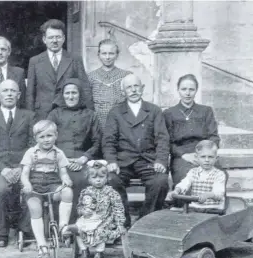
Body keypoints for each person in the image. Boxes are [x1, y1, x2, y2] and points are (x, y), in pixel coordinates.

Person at [103, 74, 170, 228]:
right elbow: (108, 140)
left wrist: (160, 161)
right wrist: (111, 161)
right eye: (129, 87)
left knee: (160, 181)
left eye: (136, 86)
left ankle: (145, 222)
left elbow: (162, 138)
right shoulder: (116, 112)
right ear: (123, 92)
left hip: (147, 160)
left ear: (142, 88)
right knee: (111, 180)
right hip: (123, 161)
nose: (133, 90)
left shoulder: (153, 110)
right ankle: (123, 221)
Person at [0, 79, 36, 248]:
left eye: (13, 91)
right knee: (1, 190)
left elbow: (33, 145)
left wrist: (21, 168)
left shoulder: (29, 116)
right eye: (5, 91)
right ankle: (1, 232)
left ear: (19, 95)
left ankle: (25, 231)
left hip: (23, 167)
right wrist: (3, 170)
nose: (9, 94)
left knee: (29, 189)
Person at [47, 78, 101, 222]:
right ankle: (64, 227)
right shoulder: (54, 114)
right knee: (66, 182)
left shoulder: (90, 115)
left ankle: (82, 225)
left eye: (74, 93)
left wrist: (84, 158)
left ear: (80, 94)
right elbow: (47, 140)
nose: (71, 97)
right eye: (67, 93)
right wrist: (63, 159)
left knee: (84, 180)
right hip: (57, 159)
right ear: (62, 95)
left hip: (81, 159)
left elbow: (97, 142)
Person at [20, 120, 73, 258]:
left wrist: (66, 179)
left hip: (52, 186)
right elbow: (24, 174)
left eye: (49, 135)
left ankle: (63, 226)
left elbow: (63, 172)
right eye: (42, 137)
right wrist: (27, 184)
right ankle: (42, 245)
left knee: (67, 192)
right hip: (35, 187)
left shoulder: (59, 153)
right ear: (36, 138)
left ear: (56, 135)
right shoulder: (31, 153)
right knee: (34, 207)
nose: (46, 140)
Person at [26, 19, 93, 120]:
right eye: (51, 37)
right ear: (44, 39)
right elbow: (30, 93)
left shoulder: (75, 59)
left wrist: (90, 114)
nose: (54, 41)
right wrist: (30, 118)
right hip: (42, 114)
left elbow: (85, 88)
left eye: (58, 37)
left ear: (64, 38)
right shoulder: (35, 61)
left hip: (68, 113)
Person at [163, 74, 221, 187]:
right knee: (184, 176)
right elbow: (166, 141)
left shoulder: (206, 111)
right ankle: (184, 204)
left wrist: (204, 154)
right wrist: (183, 154)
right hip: (181, 156)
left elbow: (214, 137)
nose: (187, 93)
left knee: (220, 175)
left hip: (204, 153)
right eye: (184, 89)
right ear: (178, 90)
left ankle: (213, 204)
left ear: (196, 91)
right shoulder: (169, 113)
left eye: (191, 89)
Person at [65, 160, 125, 258]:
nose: (98, 180)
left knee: (99, 229)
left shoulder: (111, 193)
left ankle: (99, 253)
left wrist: (120, 223)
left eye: (101, 177)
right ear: (88, 179)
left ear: (106, 178)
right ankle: (84, 251)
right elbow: (79, 207)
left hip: (105, 218)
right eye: (94, 178)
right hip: (88, 218)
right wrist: (83, 211)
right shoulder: (86, 192)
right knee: (79, 227)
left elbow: (118, 208)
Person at [166, 140, 226, 213]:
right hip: (195, 207)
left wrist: (208, 195)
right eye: (203, 157)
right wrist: (177, 190)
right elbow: (185, 183)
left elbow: (219, 193)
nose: (207, 160)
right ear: (197, 158)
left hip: (213, 209)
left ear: (216, 158)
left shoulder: (219, 174)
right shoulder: (193, 172)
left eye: (210, 157)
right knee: (177, 214)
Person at [88, 39, 132, 129]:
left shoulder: (126, 76)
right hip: (98, 123)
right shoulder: (91, 77)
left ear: (117, 55)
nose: (107, 57)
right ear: (98, 55)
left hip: (121, 122)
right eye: (104, 53)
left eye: (111, 53)